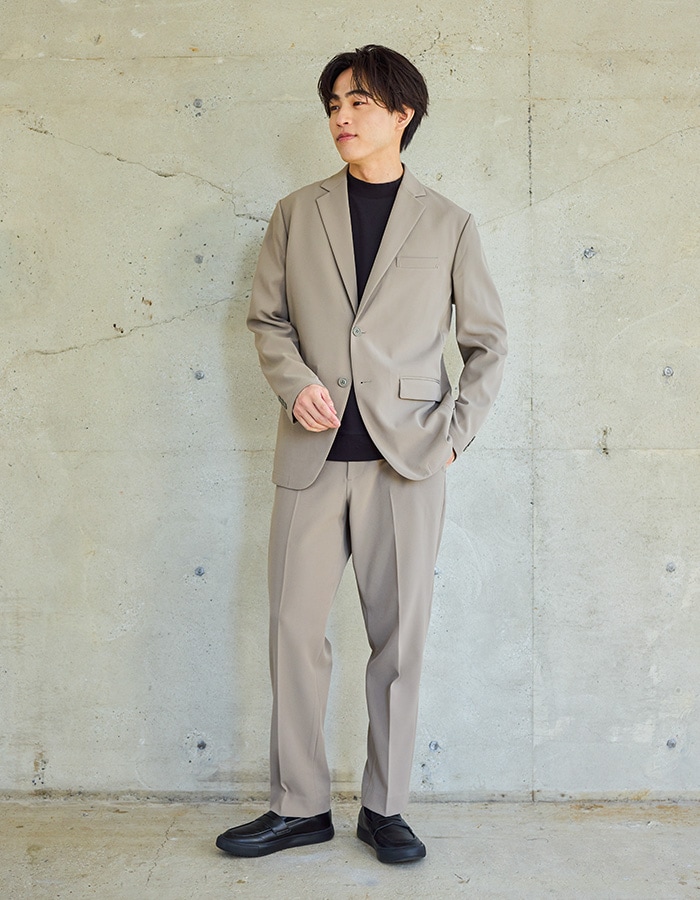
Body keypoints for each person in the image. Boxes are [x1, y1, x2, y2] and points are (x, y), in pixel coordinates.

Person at [216, 44, 507, 864]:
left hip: (405, 464)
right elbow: (267, 319)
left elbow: (487, 344)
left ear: (401, 114)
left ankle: (386, 808)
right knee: (293, 632)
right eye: (333, 105)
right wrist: (294, 382)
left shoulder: (449, 223)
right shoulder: (294, 213)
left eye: (357, 103)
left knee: (399, 641)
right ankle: (299, 807)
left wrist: (456, 437)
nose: (340, 118)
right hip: (310, 459)